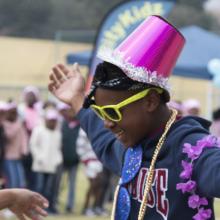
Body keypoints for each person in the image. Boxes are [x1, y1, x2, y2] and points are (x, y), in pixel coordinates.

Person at [48, 15, 220, 220]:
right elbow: (102, 139)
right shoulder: (131, 147)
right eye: (101, 112)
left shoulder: (192, 148)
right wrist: (77, 100)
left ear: (150, 101)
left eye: (113, 112)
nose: (107, 122)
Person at [30, 108, 62, 214]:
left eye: (54, 120)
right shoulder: (38, 130)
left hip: (52, 165)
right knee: (39, 187)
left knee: (49, 189)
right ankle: (35, 208)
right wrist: (38, 157)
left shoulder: (57, 132)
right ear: (46, 120)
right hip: (40, 165)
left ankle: (48, 207)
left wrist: (58, 160)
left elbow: (58, 148)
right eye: (50, 120)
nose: (52, 122)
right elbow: (33, 145)